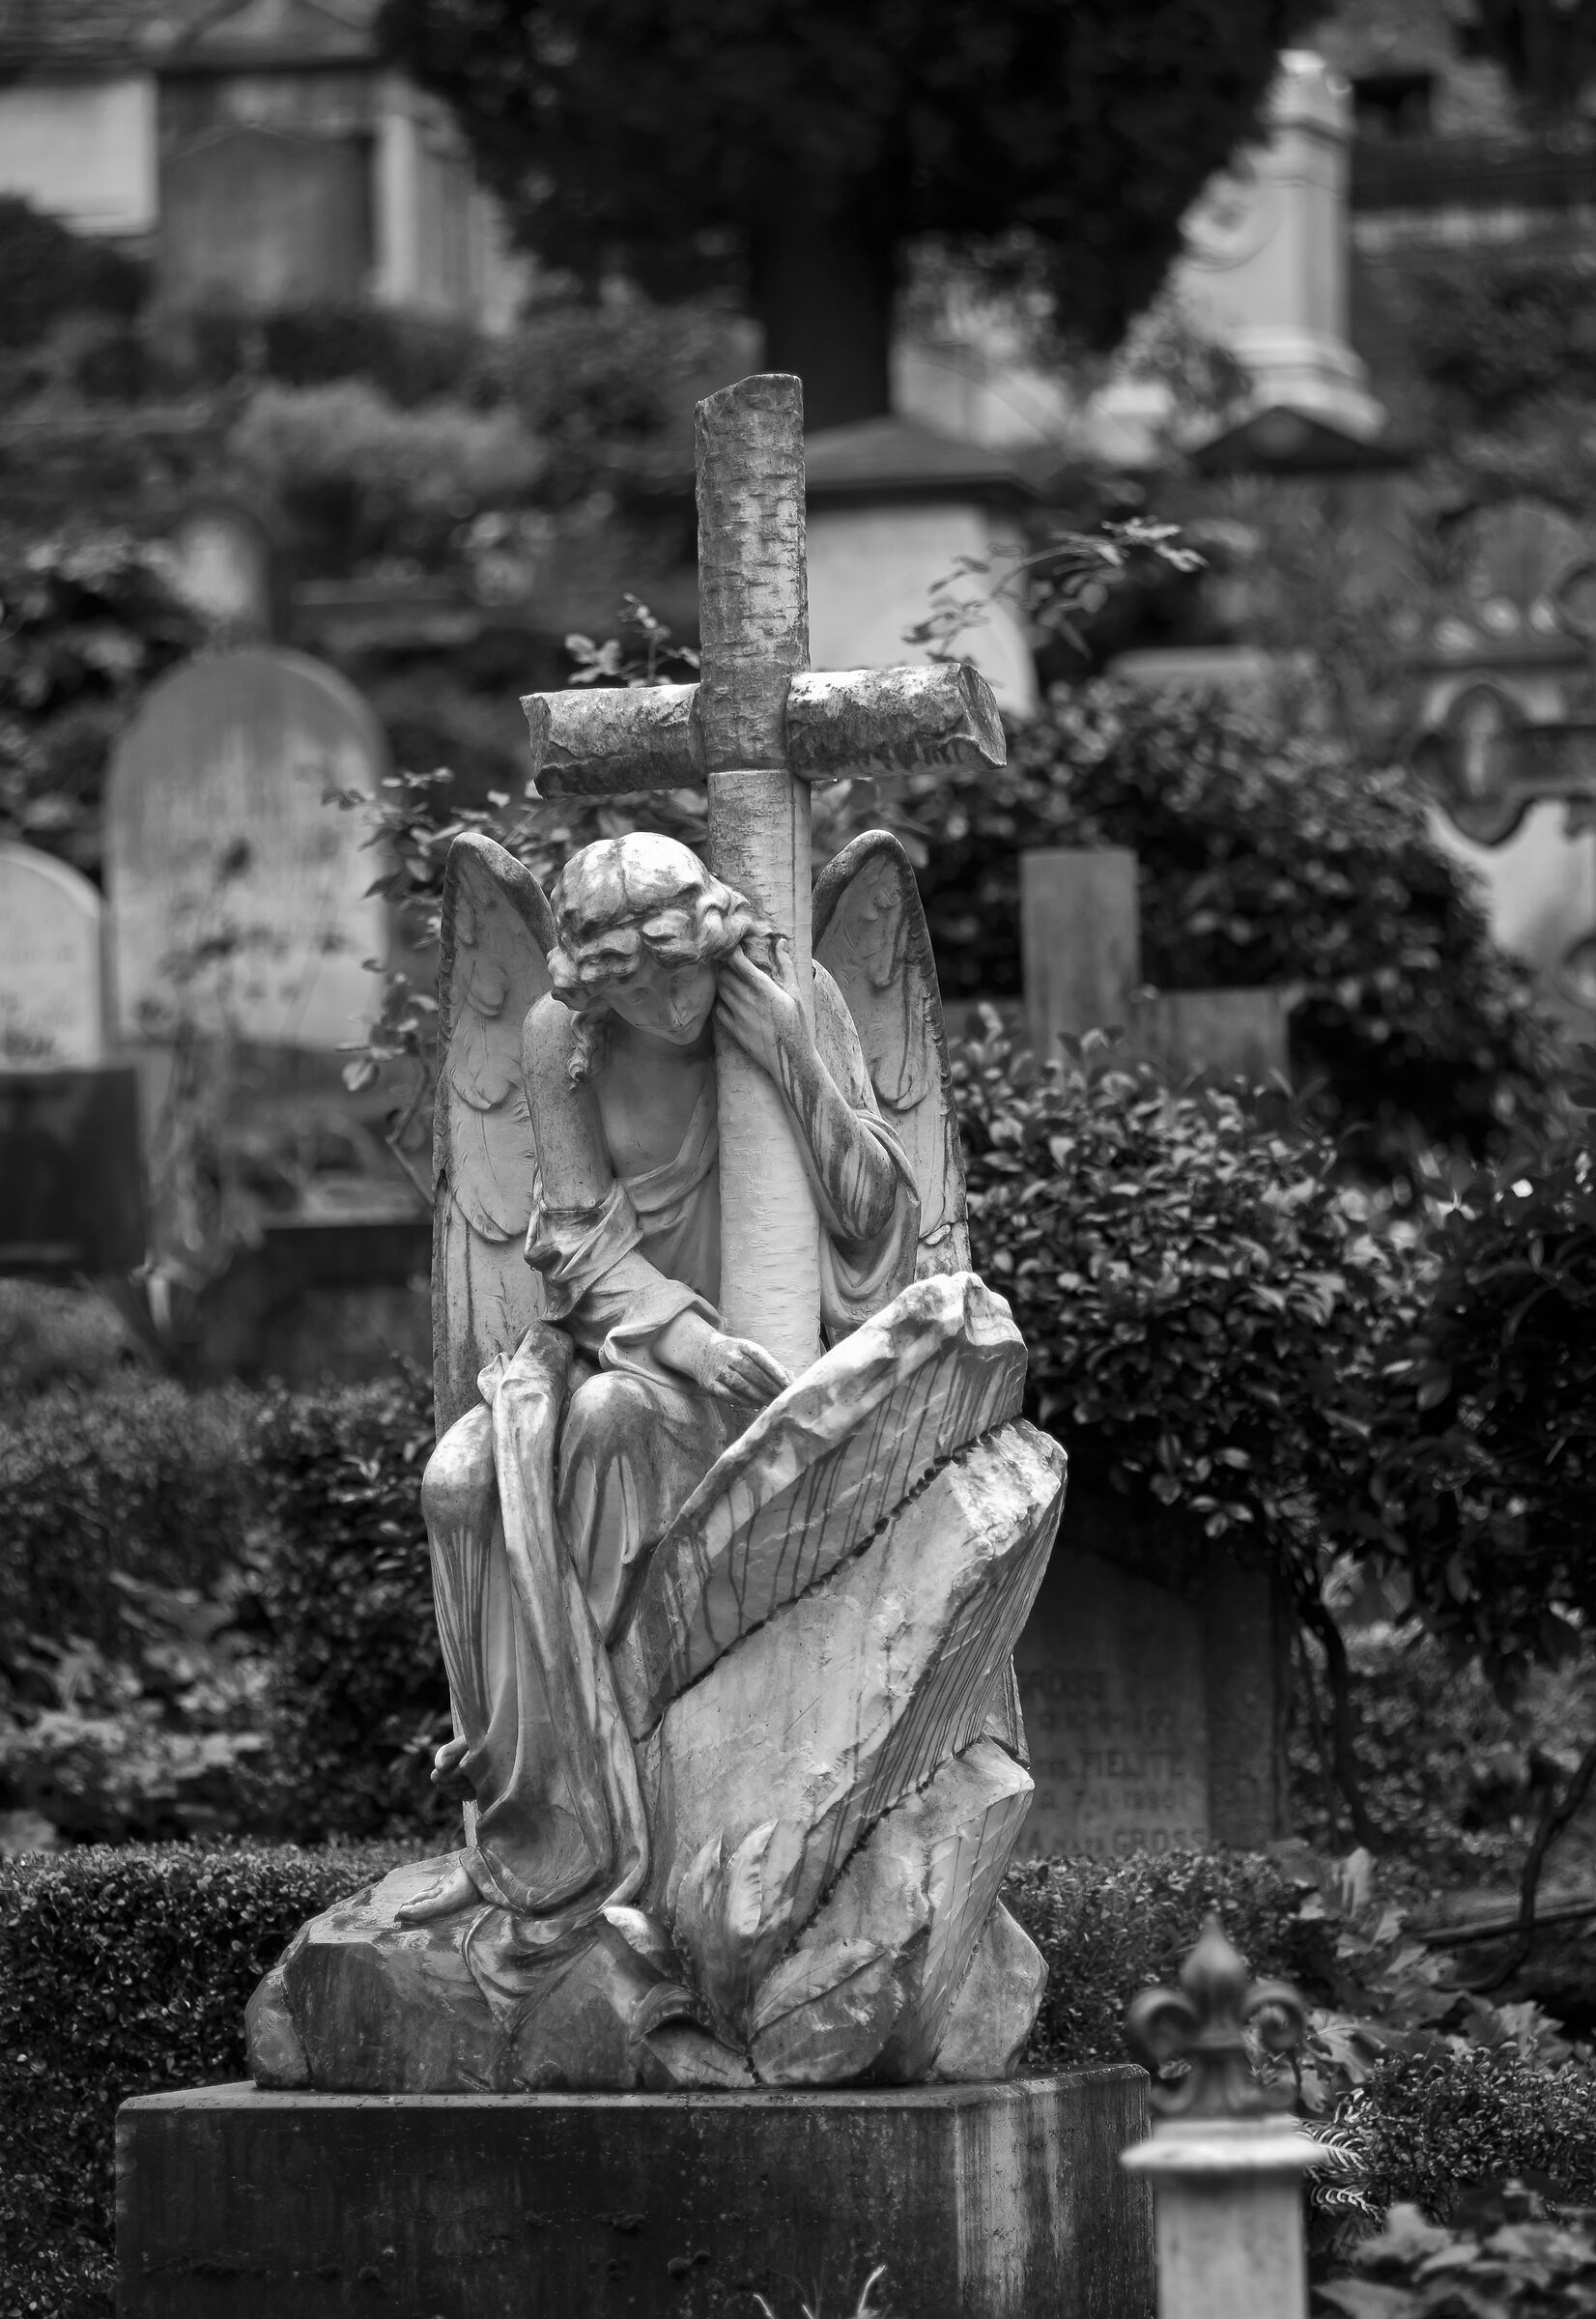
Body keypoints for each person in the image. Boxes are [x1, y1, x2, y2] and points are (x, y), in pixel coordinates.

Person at [400, 833, 918, 1967]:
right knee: (455, 1479)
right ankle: (516, 1792)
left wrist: (788, 1051)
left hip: (770, 1384)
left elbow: (881, 1222)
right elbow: (577, 1240)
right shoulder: (559, 1038)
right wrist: (682, 1337)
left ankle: (622, 1808)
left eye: (679, 971)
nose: (670, 1003)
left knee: (608, 1425)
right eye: (635, 986)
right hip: (631, 1347)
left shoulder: (794, 993)